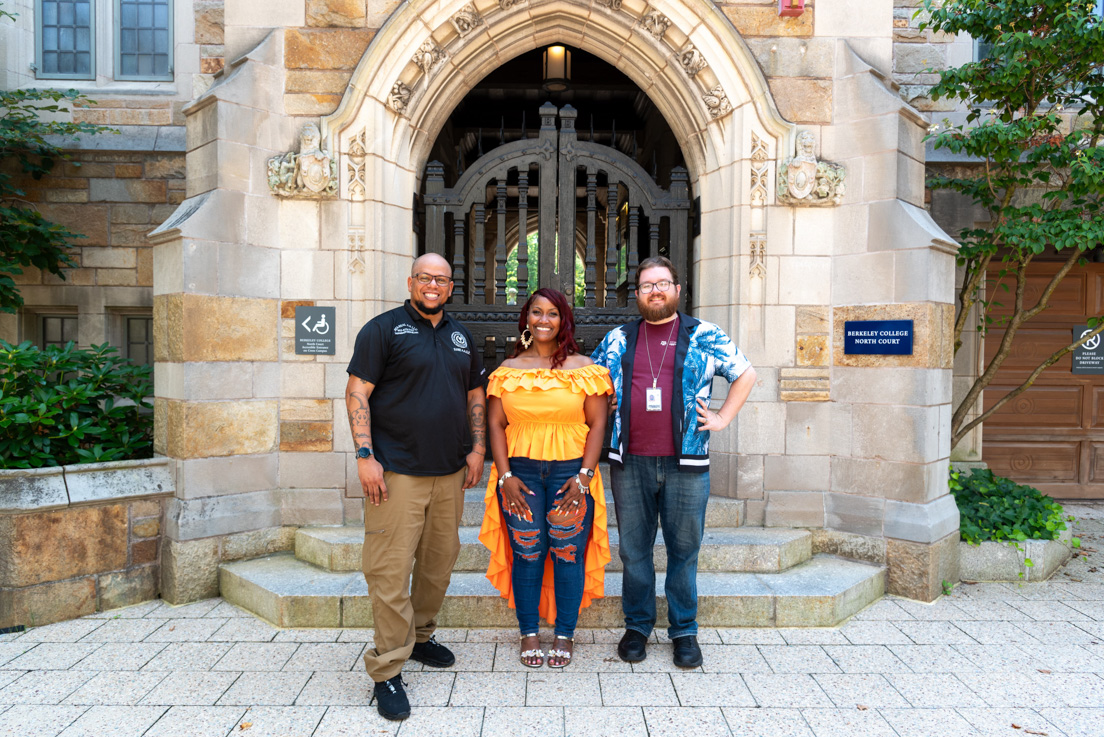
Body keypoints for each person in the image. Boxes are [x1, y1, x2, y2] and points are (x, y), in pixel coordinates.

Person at [590, 256, 756, 669]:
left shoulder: (705, 334)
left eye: (663, 283)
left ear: (678, 290)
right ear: (638, 295)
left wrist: (722, 417)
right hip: (630, 464)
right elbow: (589, 383)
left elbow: (745, 373)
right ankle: (638, 627)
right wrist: (606, 400)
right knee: (634, 550)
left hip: (687, 463)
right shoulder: (617, 339)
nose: (655, 291)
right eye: (647, 285)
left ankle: (684, 630)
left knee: (684, 550)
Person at [345, 253, 487, 720]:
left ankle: (420, 637)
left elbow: (474, 396)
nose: (432, 285)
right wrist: (365, 456)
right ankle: (387, 670)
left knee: (437, 565)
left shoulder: (463, 337)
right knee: (389, 571)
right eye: (425, 277)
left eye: (441, 279)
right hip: (396, 474)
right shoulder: (382, 330)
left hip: (449, 472)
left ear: (450, 287)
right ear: (411, 282)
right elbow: (357, 391)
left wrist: (477, 448)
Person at [479, 288, 613, 668]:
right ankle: (528, 633)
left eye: (552, 313)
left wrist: (585, 475)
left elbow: (598, 423)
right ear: (526, 319)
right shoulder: (506, 371)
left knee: (568, 553)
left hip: (571, 473)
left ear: (563, 320)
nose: (543, 320)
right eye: (536, 312)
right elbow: (495, 423)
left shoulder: (586, 369)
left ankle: (565, 634)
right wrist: (504, 476)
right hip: (519, 474)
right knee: (527, 553)